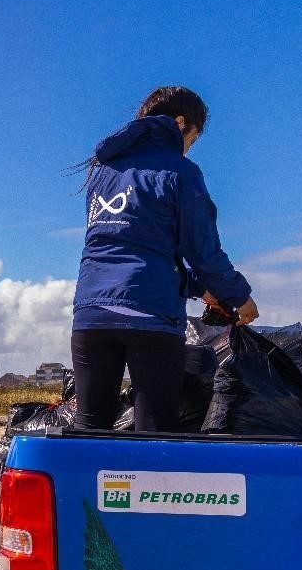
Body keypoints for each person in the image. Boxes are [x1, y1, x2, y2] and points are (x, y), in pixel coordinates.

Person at [71, 85, 258, 432]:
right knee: (154, 431)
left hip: (91, 316)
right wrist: (239, 297)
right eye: (194, 137)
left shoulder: (103, 172)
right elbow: (203, 252)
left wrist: (199, 289)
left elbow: (131, 248)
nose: (189, 147)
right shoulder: (180, 172)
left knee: (89, 429)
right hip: (150, 319)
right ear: (181, 122)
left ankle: (82, 488)